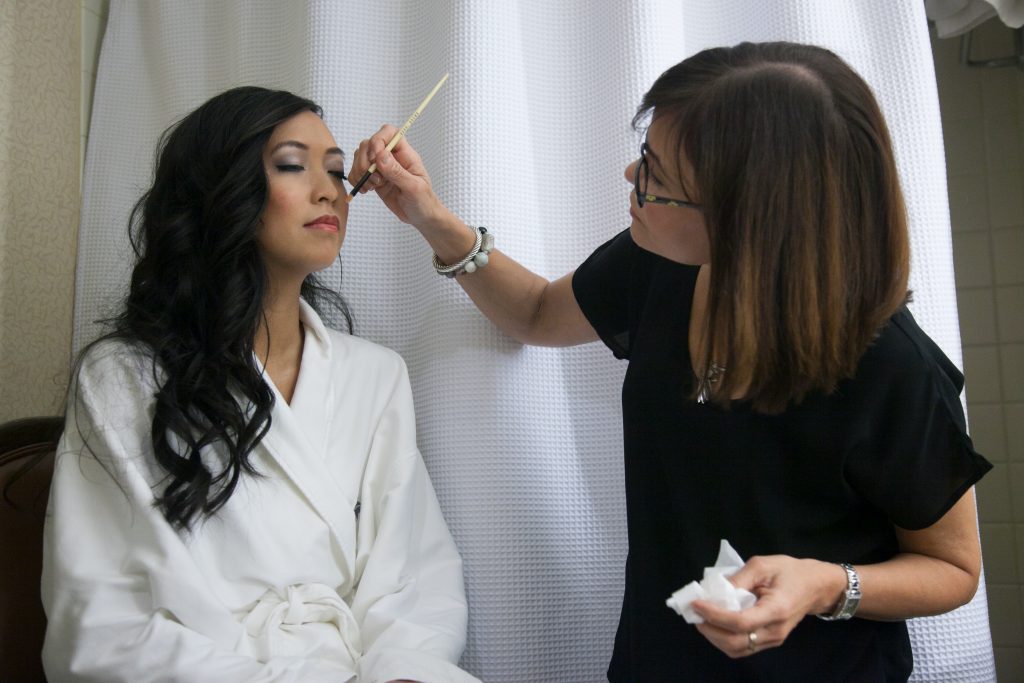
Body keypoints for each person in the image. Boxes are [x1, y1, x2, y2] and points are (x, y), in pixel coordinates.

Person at [349, 42, 993, 681]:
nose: (632, 178)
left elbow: (955, 571)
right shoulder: (661, 263)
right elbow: (538, 314)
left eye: (657, 175)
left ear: (749, 219)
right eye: (645, 155)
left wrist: (826, 585)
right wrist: (427, 214)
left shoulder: (891, 368)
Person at [42, 86, 479, 683]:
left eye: (334, 171)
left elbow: (414, 577)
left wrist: (400, 671)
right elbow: (103, 620)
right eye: (293, 166)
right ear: (220, 191)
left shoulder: (373, 376)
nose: (330, 190)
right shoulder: (123, 377)